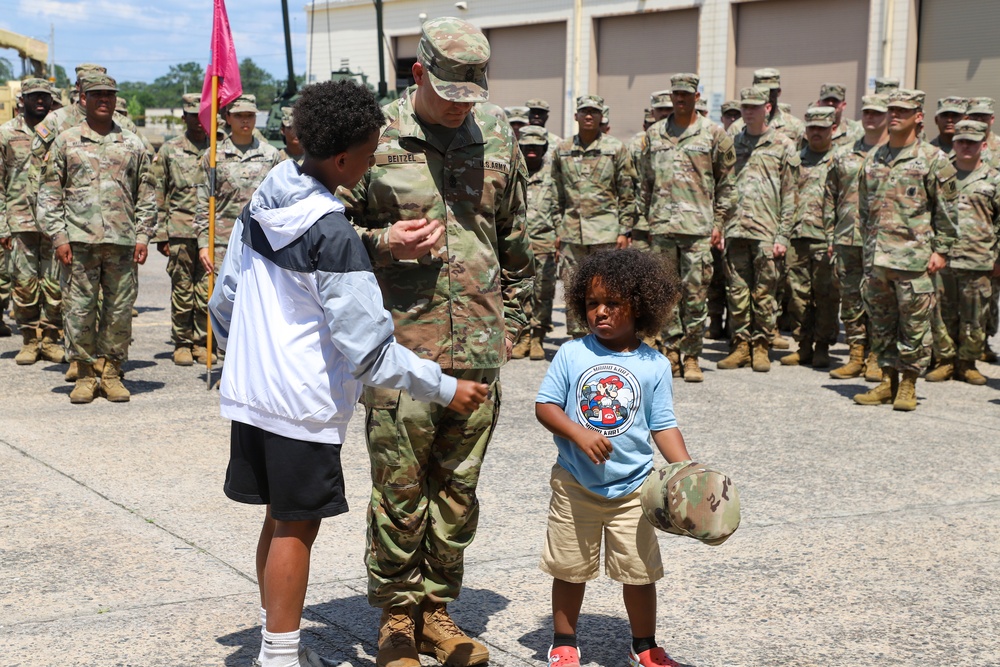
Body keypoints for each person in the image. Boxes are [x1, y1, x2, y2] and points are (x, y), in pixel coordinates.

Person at [208, 79, 488, 667]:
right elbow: (370, 354)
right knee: (296, 530)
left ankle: (272, 634)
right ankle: (280, 656)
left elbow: (225, 297)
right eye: (367, 155)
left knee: (277, 518)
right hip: (302, 402)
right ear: (340, 158)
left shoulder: (270, 192)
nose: (370, 165)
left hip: (254, 392)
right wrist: (446, 386)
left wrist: (247, 360)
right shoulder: (334, 234)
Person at [341, 17, 534, 667]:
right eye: (449, 93)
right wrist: (384, 243)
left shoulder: (499, 131)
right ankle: (396, 617)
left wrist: (515, 321)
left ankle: (436, 612)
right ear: (418, 74)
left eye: (471, 95)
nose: (460, 107)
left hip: (476, 345)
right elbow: (322, 239)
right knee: (399, 488)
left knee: (457, 490)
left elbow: (514, 239)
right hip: (400, 347)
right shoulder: (370, 137)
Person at [534, 248, 691, 667]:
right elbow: (545, 407)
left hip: (634, 488)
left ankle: (645, 645)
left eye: (613, 303)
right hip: (575, 484)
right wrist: (578, 433)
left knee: (639, 573)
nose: (600, 312)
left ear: (640, 306)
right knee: (570, 569)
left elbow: (663, 426)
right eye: (591, 303)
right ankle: (564, 640)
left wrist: (685, 473)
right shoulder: (572, 354)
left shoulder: (654, 364)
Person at [37, 74, 157, 403]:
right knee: (79, 310)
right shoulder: (65, 141)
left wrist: (144, 235)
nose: (104, 99)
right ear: (84, 99)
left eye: (109, 94)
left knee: (118, 311)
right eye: (97, 94)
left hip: (121, 242)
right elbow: (49, 194)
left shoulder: (133, 143)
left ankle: (111, 372)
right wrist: (59, 236)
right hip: (77, 243)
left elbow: (147, 194)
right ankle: (85, 374)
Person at [853, 89, 958, 411]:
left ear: (918, 116)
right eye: (891, 109)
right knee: (881, 324)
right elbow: (864, 207)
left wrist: (941, 250)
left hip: (914, 260)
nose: (894, 114)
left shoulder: (933, 160)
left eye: (903, 110)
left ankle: (909, 383)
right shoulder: (874, 158)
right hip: (878, 259)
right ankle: (887, 382)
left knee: (914, 327)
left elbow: (948, 211)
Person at [639, 72, 735, 382]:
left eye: (686, 94)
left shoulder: (714, 135)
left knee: (695, 295)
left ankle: (692, 355)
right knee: (665, 295)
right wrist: (647, 220)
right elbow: (645, 182)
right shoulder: (654, 134)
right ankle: (670, 352)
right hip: (663, 228)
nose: (679, 98)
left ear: (696, 97)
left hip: (697, 229)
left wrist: (718, 223)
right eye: (675, 93)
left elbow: (726, 184)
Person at [716, 86, 798, 373]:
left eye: (754, 106)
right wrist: (720, 225)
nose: (748, 111)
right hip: (736, 229)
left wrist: (783, 234)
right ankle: (740, 345)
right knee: (737, 291)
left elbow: (790, 194)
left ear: (767, 108)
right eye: (745, 106)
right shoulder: (731, 143)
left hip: (766, 230)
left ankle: (761, 346)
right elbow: (722, 187)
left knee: (764, 293)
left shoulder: (783, 144)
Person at [196, 94, 281, 363]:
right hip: (223, 242)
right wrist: (202, 243)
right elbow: (202, 201)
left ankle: (256, 364)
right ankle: (230, 364)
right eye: (240, 115)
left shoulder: (271, 155)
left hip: (262, 243)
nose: (246, 120)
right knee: (227, 304)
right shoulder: (213, 155)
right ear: (227, 118)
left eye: (251, 115)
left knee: (260, 303)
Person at [552, 94, 636, 338]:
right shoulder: (563, 150)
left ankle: (606, 336)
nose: (589, 115)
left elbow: (627, 193)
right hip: (571, 233)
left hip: (606, 233)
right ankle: (578, 339)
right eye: (584, 111)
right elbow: (556, 193)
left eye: (594, 112)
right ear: (576, 115)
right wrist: (557, 230)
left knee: (607, 289)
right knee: (573, 287)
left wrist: (624, 230)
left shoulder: (615, 148)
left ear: (602, 117)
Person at [924, 120, 1000, 385]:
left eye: (971, 141)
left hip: (979, 259)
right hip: (943, 258)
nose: (965, 146)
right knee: (940, 312)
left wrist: (998, 256)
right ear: (953, 143)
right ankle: (944, 361)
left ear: (983, 144)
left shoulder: (995, 178)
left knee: (976, 315)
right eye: (961, 141)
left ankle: (967, 363)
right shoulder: (942, 175)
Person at [826, 94, 889, 382]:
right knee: (850, 300)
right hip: (847, 237)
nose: (871, 117)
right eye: (866, 112)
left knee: (878, 300)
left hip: (881, 241)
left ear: (888, 116)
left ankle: (876, 357)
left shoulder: (893, 155)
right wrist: (830, 235)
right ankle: (856, 354)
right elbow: (829, 196)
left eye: (877, 113)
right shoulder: (843, 153)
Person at [0, 77, 63, 363]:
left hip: (54, 222)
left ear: (52, 100)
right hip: (19, 222)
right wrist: (2, 225)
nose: (40, 100)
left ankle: (50, 338)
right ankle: (28, 338)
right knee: (23, 283)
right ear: (21, 100)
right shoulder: (6, 134)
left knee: (54, 283)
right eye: (34, 96)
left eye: (45, 96)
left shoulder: (62, 132)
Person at [780, 107, 839, 368]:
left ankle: (823, 346)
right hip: (796, 236)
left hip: (825, 238)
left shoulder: (840, 160)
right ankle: (803, 345)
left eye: (822, 128)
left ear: (832, 130)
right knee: (797, 294)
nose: (816, 133)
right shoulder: (795, 160)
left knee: (826, 295)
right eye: (812, 128)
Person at [155, 93, 211, 366]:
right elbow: (158, 192)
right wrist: (161, 235)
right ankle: (182, 342)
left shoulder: (219, 148)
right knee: (182, 289)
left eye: (202, 115)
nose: (198, 121)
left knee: (206, 290)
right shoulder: (170, 150)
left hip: (210, 234)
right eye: (192, 116)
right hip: (179, 230)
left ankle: (202, 341)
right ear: (184, 118)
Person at [511, 125, 559, 361]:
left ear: (544, 149)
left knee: (543, 291)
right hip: (518, 242)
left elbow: (560, 207)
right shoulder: (514, 171)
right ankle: (524, 336)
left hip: (545, 241)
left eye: (536, 147)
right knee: (521, 291)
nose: (531, 151)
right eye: (527, 146)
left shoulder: (553, 176)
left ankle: (538, 337)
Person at [965, 97, 1000, 361]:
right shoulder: (956, 150)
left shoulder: (999, 148)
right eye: (974, 115)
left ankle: (983, 342)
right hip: (964, 241)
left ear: (992, 118)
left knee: (988, 297)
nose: (979, 120)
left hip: (987, 238)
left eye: (983, 116)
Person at [727, 68, 805, 146]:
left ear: (778, 92)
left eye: (770, 91)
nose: (766, 95)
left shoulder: (796, 126)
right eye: (761, 91)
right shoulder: (737, 128)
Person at [816, 83, 863, 149]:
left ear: (843, 105)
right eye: (826, 100)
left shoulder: (857, 131)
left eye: (835, 100)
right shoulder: (808, 132)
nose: (830, 103)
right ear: (818, 103)